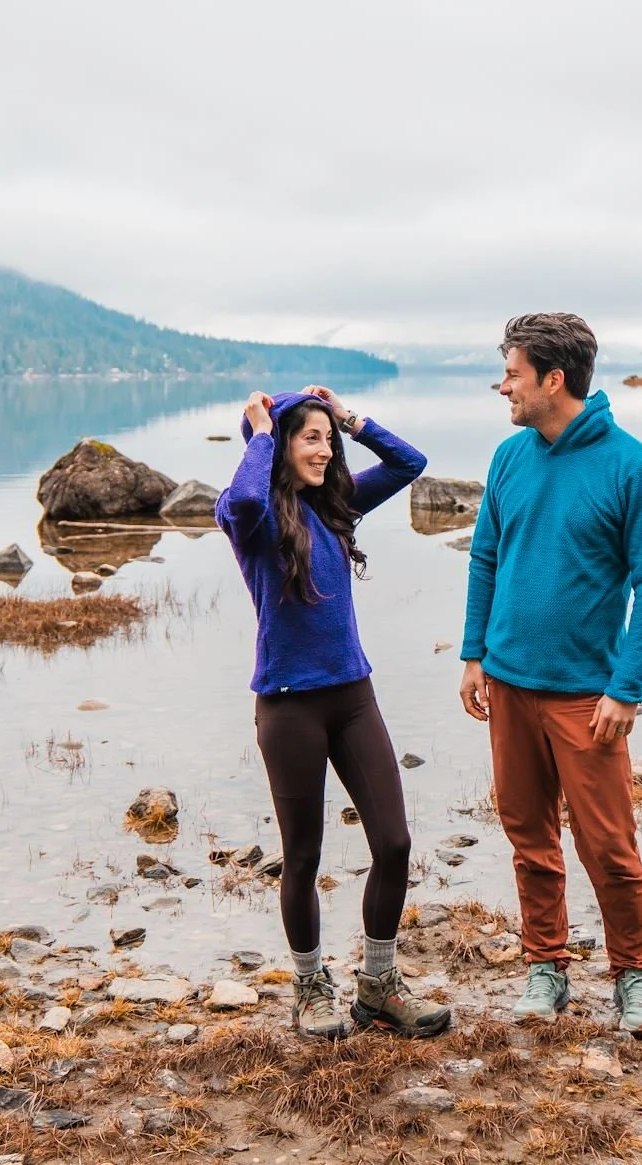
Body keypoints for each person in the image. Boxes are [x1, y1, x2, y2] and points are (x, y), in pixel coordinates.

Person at [458, 313, 642, 1037]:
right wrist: (473, 652)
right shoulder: (510, 458)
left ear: (554, 379)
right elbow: (486, 555)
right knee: (528, 836)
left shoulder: (633, 467)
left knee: (608, 844)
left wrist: (627, 688)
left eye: (513, 373)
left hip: (587, 694)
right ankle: (545, 965)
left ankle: (635, 976)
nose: (504, 386)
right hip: (510, 684)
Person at [217, 384, 451, 1040]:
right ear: (278, 445)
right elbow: (242, 496)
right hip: (289, 706)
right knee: (302, 856)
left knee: (395, 842)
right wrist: (261, 427)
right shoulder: (251, 518)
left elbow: (411, 463)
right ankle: (310, 987)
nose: (324, 449)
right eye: (310, 437)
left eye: (329, 438)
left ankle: (378, 984)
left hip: (353, 695)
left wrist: (351, 416)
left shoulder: (335, 506)